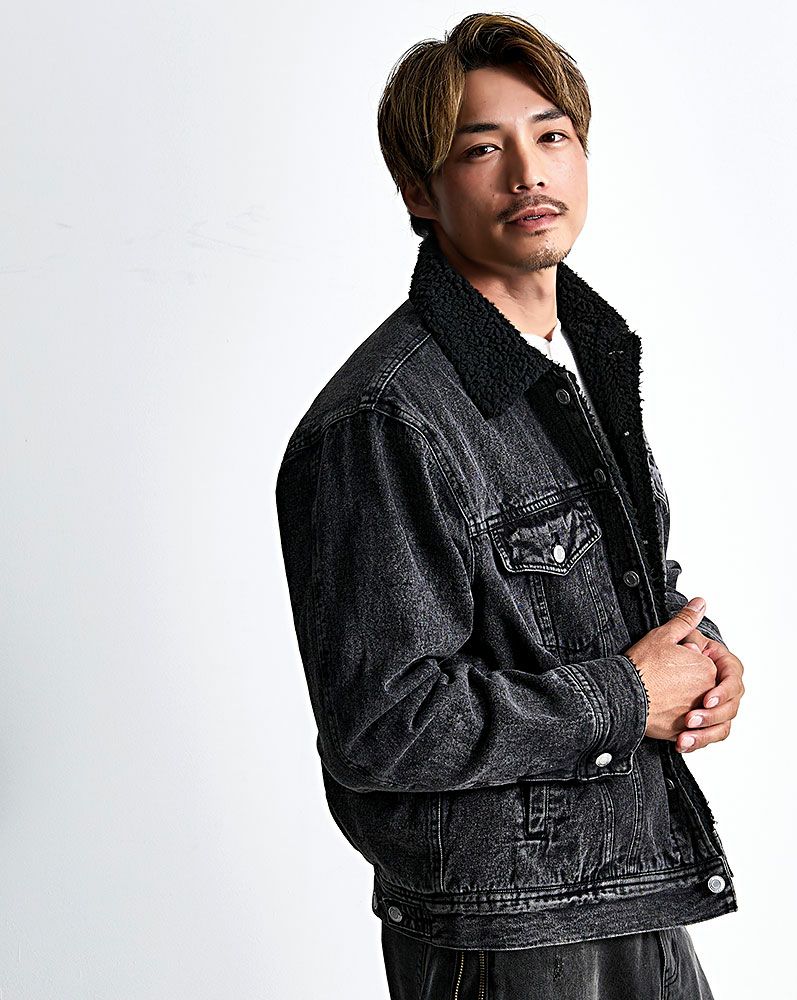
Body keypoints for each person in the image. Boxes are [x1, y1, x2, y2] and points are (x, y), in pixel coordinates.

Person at [274, 12, 746, 998]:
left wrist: (698, 660)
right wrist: (629, 694)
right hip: (507, 937)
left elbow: (578, 602)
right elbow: (384, 724)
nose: (529, 173)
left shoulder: (580, 361)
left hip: (630, 885)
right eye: (482, 149)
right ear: (420, 190)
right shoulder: (385, 420)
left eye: (551, 135)